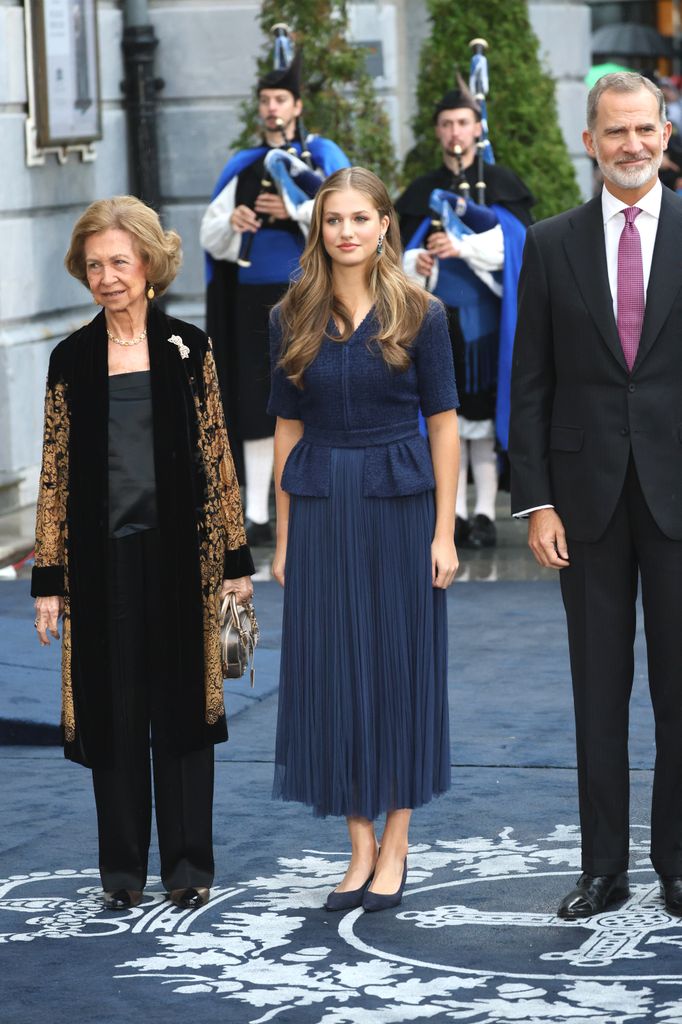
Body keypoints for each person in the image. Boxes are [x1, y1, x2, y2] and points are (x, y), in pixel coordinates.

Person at [31, 196, 255, 912]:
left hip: (184, 565)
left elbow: (218, 454)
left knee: (186, 710)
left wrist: (235, 566)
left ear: (149, 265)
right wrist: (48, 579)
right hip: (103, 570)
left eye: (119, 263)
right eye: (94, 265)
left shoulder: (189, 348)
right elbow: (55, 472)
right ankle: (122, 871)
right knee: (115, 714)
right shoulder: (69, 360)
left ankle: (190, 865)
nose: (107, 277)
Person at [509, 72, 682, 921]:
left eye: (645, 129)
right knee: (597, 691)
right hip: (583, 506)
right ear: (590, 140)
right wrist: (536, 501)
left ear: (666, 132)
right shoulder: (550, 244)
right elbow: (529, 385)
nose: (632, 145)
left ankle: (678, 864)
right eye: (616, 131)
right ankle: (604, 868)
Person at [268, 167, 459, 913]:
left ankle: (398, 843)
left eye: (359, 217)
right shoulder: (290, 316)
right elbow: (286, 427)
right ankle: (358, 848)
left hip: (401, 503)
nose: (345, 231)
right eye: (332, 219)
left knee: (398, 667)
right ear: (319, 230)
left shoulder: (422, 312)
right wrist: (281, 537)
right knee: (333, 671)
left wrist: (444, 532)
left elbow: (443, 425)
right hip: (320, 505)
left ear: (384, 224)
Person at [200, 39, 349, 548]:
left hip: (308, 291)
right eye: (265, 99)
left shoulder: (321, 155)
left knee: (311, 392)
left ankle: (312, 503)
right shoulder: (243, 163)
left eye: (280, 99)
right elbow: (210, 233)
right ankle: (255, 514)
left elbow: (348, 212)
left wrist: (295, 211)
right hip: (249, 298)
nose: (271, 107)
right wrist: (234, 222)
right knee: (254, 399)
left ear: (297, 106)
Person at [396, 88, 533, 549]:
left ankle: (484, 512)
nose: (455, 132)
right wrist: (421, 263)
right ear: (438, 131)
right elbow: (395, 256)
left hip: (488, 325)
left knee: (482, 416)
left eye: (463, 123)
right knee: (443, 413)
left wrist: (464, 247)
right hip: (437, 322)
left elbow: (515, 247)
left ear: (478, 128)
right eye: (447, 124)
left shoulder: (502, 183)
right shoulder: (419, 191)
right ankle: (451, 511)